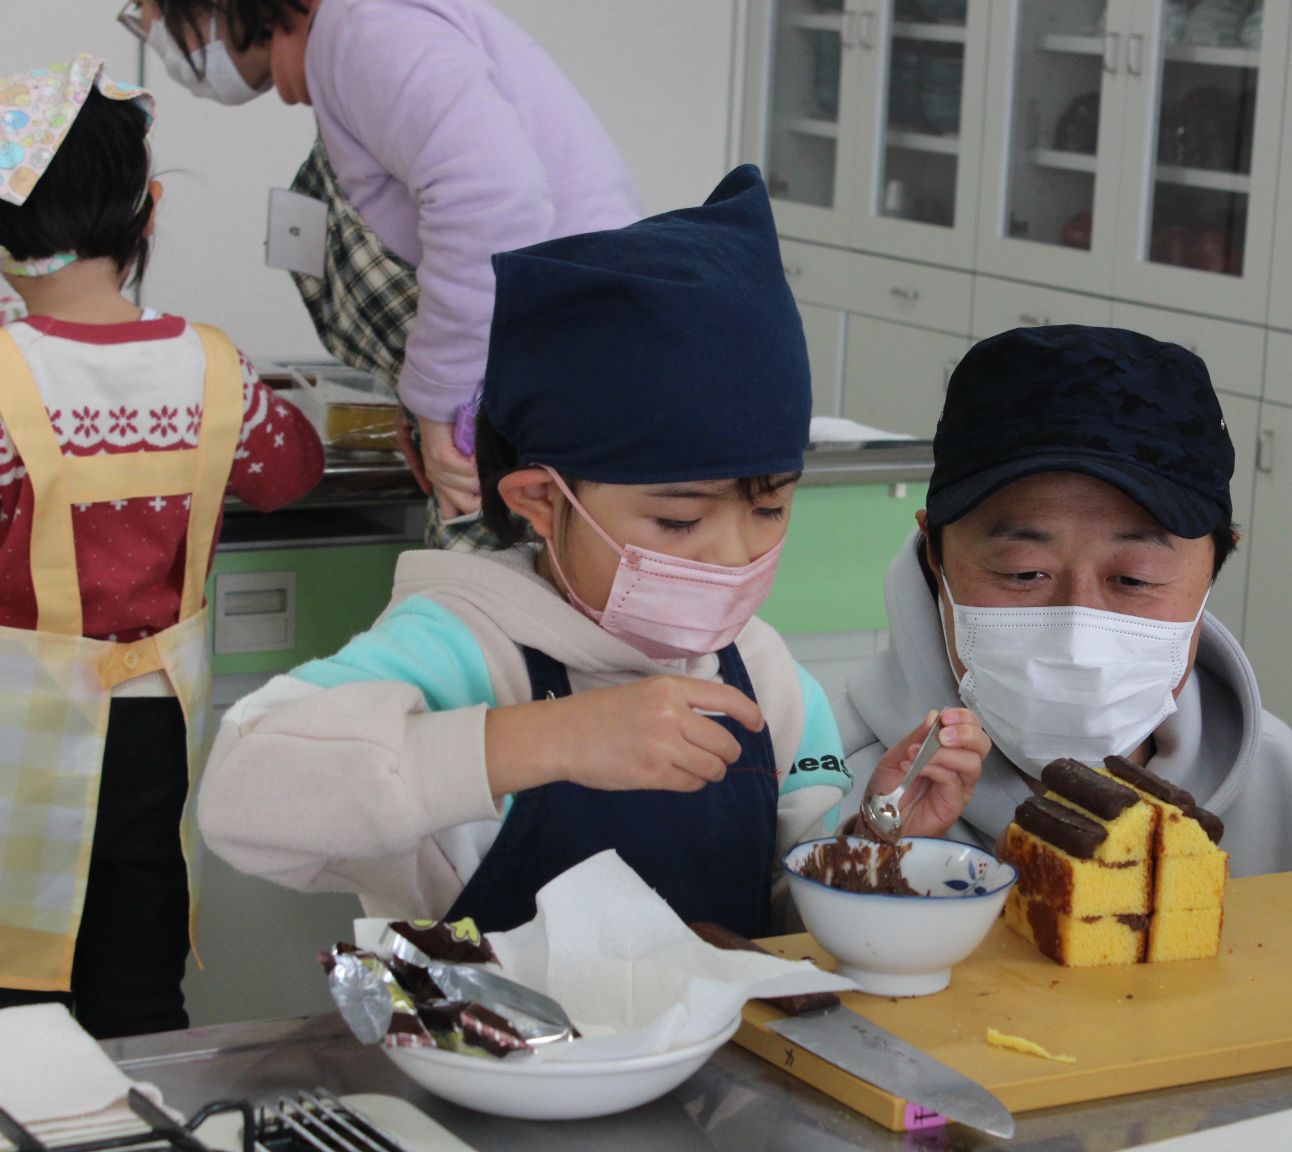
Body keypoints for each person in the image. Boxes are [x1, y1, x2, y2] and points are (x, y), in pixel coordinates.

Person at [196, 167, 989, 937]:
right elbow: (238, 800)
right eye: (677, 523)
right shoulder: (457, 651)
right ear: (540, 501)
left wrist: (875, 835)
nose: (733, 556)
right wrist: (543, 739)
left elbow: (784, 920)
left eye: (770, 508)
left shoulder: (765, 676)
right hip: (500, 1067)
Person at [836, 326, 1292, 877]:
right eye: (1024, 572)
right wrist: (871, 854)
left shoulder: (1278, 783)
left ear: (1215, 566)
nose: (1077, 631)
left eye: (1134, 579)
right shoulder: (833, 771)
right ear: (934, 559)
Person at [0, 58, 324, 1037]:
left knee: (15, 986)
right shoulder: (217, 371)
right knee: (138, 979)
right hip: (153, 727)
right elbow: (293, 470)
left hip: (17, 729)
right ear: (147, 219)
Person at [120, 0, 644, 550]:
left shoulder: (364, 29)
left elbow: (494, 202)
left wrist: (440, 399)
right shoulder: (354, 39)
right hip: (558, 368)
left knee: (497, 617)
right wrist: (422, 393)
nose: (149, 29)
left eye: (148, 9)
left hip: (561, 382)